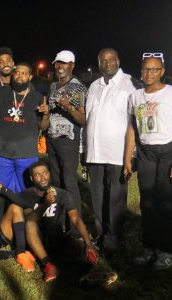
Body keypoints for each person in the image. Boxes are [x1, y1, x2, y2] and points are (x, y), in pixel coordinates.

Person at [85, 48, 139, 254]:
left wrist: (131, 154)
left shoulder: (130, 84)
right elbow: (88, 117)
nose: (107, 63)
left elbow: (135, 121)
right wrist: (84, 148)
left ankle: (114, 239)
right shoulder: (94, 86)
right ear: (98, 63)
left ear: (118, 61)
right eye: (103, 60)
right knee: (98, 197)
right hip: (95, 151)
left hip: (118, 153)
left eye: (111, 60)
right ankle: (101, 236)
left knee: (115, 198)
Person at [124, 53, 172, 270]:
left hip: (168, 152)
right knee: (147, 203)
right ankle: (149, 247)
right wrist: (127, 158)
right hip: (145, 153)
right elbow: (132, 127)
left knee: (165, 203)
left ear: (162, 71)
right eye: (145, 69)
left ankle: (166, 251)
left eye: (154, 69)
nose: (149, 73)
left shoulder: (170, 94)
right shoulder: (135, 96)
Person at [0, 62, 50, 193]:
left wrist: (46, 114)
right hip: (2, 153)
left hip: (27, 154)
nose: (19, 76)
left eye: (24, 73)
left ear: (30, 77)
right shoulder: (2, 92)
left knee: (27, 191)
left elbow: (43, 127)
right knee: (2, 191)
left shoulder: (37, 97)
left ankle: (23, 214)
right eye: (16, 73)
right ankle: (7, 213)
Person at [22, 161, 99, 282]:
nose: (43, 177)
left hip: (57, 237)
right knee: (30, 225)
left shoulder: (62, 194)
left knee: (81, 249)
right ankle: (48, 265)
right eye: (38, 175)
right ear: (32, 178)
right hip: (36, 239)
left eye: (45, 173)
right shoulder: (27, 195)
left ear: (50, 174)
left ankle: (85, 275)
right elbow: (29, 221)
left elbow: (75, 218)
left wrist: (88, 243)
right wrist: (46, 203)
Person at [46, 50, 87, 217]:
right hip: (52, 139)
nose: (59, 66)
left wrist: (69, 107)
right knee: (56, 181)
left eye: (63, 63)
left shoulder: (78, 87)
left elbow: (83, 119)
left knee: (69, 182)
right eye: (57, 62)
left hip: (68, 141)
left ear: (72, 65)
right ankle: (60, 220)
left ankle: (75, 224)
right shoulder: (53, 86)